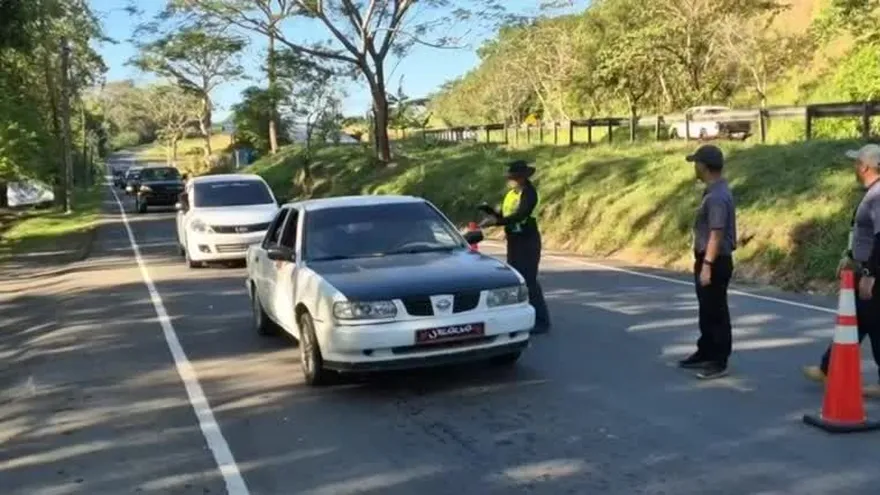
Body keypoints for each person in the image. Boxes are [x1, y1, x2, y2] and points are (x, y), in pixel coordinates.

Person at [803, 144, 880, 398]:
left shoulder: (878, 195)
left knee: (874, 325)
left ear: (865, 167)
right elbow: (862, 233)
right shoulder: (871, 193)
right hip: (864, 268)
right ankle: (828, 367)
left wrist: (870, 273)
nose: (854, 168)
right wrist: (849, 256)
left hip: (873, 273)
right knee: (855, 321)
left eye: (856, 163)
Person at [678, 144, 737, 379]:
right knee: (706, 308)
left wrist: (707, 265)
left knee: (716, 310)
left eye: (696, 163)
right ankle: (705, 350)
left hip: (715, 259)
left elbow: (716, 232)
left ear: (704, 166)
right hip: (708, 257)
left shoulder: (717, 197)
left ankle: (718, 359)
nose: (694, 166)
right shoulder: (714, 191)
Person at [479, 160, 551, 333]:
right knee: (519, 280)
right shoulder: (512, 194)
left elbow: (521, 215)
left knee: (529, 280)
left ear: (522, 178)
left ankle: (542, 320)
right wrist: (491, 212)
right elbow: (507, 215)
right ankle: (526, 318)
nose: (510, 180)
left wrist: (497, 222)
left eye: (513, 177)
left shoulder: (529, 193)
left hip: (528, 240)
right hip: (514, 240)